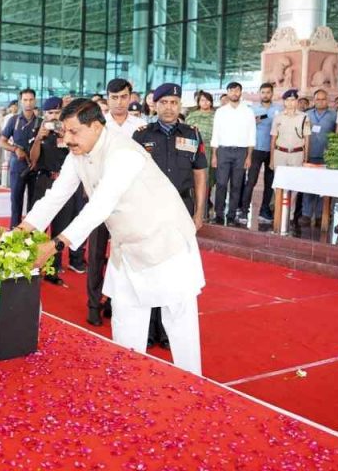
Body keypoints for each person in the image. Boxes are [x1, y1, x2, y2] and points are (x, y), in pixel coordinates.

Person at [21, 99, 205, 375]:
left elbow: (100, 206)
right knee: (126, 323)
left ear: (96, 126)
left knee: (180, 324)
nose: (67, 138)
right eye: (65, 131)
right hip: (127, 247)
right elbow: (56, 196)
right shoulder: (77, 154)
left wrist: (55, 245)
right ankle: (128, 383)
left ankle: (195, 387)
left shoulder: (123, 152)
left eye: (73, 131)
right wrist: (23, 229)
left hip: (167, 241)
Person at [133, 84, 208, 350]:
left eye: (174, 102)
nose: (168, 107)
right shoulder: (141, 136)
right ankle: (149, 329)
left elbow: (200, 174)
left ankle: (167, 331)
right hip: (149, 209)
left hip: (181, 208)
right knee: (151, 266)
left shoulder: (192, 134)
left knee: (175, 269)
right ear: (154, 105)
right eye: (163, 102)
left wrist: (199, 212)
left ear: (180, 106)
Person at [85, 78, 146, 325]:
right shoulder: (96, 126)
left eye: (123, 97)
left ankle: (114, 301)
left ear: (131, 97)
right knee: (97, 254)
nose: (119, 102)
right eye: (114, 97)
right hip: (100, 199)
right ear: (107, 99)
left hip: (130, 202)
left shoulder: (141, 127)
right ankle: (93, 303)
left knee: (125, 254)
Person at [27, 97, 86, 285]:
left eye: (56, 112)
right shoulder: (39, 131)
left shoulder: (69, 132)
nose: (53, 116)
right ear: (44, 115)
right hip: (44, 181)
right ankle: (33, 263)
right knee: (38, 225)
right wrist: (38, 139)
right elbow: (33, 160)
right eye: (49, 113)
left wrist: (65, 135)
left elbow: (79, 157)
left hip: (66, 184)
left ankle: (54, 266)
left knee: (62, 226)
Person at [210, 82, 255, 226]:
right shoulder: (221, 111)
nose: (234, 93)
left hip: (241, 152)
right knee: (221, 184)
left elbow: (251, 135)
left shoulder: (248, 111)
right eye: (231, 90)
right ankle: (219, 213)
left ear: (241, 93)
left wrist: (249, 156)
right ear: (227, 93)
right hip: (223, 151)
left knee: (236, 185)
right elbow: (215, 134)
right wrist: (214, 155)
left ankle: (231, 215)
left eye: (237, 90)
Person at [269, 89, 311, 230]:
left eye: (293, 100)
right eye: (287, 100)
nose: (290, 103)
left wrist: (305, 159)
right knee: (278, 186)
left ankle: (290, 216)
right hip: (280, 153)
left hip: (297, 154)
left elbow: (307, 139)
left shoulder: (304, 117)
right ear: (284, 102)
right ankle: (279, 214)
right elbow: (273, 138)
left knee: (294, 187)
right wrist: (271, 159)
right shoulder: (278, 117)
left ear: (297, 101)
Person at [240, 83, 279, 223]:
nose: (266, 95)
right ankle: (244, 211)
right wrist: (253, 122)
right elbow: (244, 127)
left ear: (272, 93)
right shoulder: (252, 109)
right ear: (259, 93)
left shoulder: (279, 109)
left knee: (270, 183)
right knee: (251, 181)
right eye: (263, 92)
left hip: (273, 151)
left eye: (268, 92)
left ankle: (264, 210)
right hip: (255, 149)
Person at [1, 89, 39, 227]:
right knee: (16, 202)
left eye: (31, 100)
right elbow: (2, 141)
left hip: (35, 167)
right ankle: (13, 233)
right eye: (25, 100)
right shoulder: (14, 120)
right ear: (21, 102)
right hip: (17, 167)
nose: (28, 103)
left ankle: (31, 235)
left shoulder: (40, 122)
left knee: (34, 204)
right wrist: (15, 149)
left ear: (35, 101)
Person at [300, 89, 336, 226]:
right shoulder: (306, 114)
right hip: (309, 155)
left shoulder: (334, 115)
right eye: (318, 99)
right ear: (314, 101)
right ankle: (306, 215)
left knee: (324, 187)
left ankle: (322, 215)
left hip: (326, 156)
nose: (320, 101)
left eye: (323, 99)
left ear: (327, 100)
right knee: (308, 186)